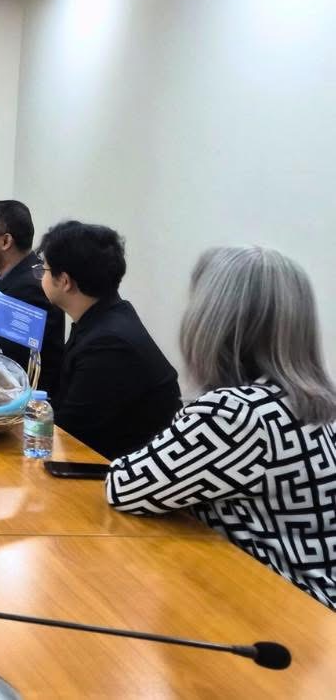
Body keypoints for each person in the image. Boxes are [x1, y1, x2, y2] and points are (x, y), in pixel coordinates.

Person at [106, 246, 336, 611]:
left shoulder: (235, 412)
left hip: (275, 615)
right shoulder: (315, 402)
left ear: (212, 322)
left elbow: (124, 486)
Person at [37, 220, 180, 459]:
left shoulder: (109, 344)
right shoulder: (106, 317)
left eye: (44, 269)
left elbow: (69, 434)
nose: (40, 276)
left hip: (116, 471)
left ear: (65, 281)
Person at [0, 200, 65, 391]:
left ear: (5, 241)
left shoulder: (30, 287)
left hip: (21, 396)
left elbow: (3, 360)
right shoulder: (5, 275)